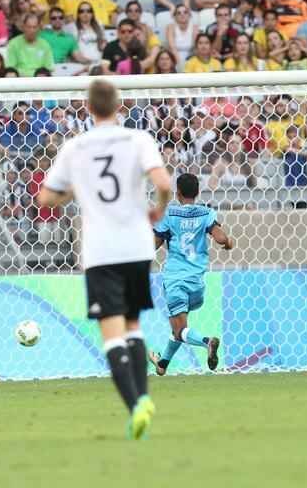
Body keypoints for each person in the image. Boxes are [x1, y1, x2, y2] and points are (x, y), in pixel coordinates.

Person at [38, 78, 172, 439]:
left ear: (88, 108)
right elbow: (163, 184)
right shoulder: (138, 139)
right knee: (133, 325)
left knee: (111, 333)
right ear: (119, 106)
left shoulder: (75, 147)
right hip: (137, 246)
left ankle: (135, 405)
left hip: (101, 251)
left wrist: (71, 194)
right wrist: (157, 210)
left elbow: (45, 199)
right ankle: (144, 394)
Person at [148, 173, 233, 376]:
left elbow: (155, 244)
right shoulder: (206, 213)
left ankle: (207, 343)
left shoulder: (170, 214)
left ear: (177, 193)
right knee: (179, 328)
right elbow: (221, 239)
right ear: (197, 192)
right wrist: (228, 242)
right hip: (197, 282)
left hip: (176, 278)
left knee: (180, 330)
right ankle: (162, 365)